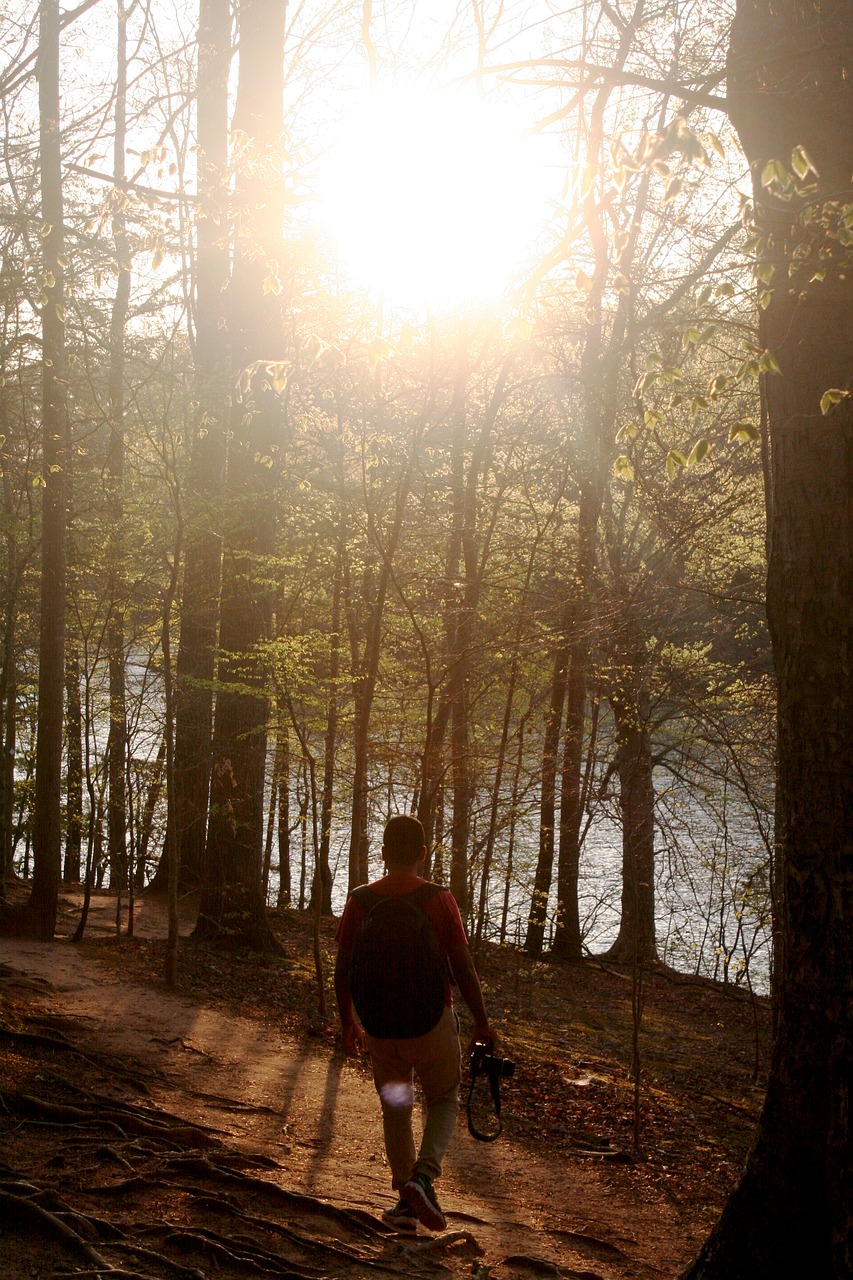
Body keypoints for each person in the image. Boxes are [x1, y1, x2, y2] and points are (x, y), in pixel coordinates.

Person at [334, 814, 496, 1233]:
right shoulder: (439, 899)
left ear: (384, 854)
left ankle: (406, 1199)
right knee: (443, 1098)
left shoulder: (360, 900)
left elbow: (343, 969)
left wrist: (347, 1023)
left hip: (380, 1028)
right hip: (431, 1024)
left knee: (397, 1105)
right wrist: (481, 1022)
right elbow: (462, 968)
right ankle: (423, 1179)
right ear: (423, 854)